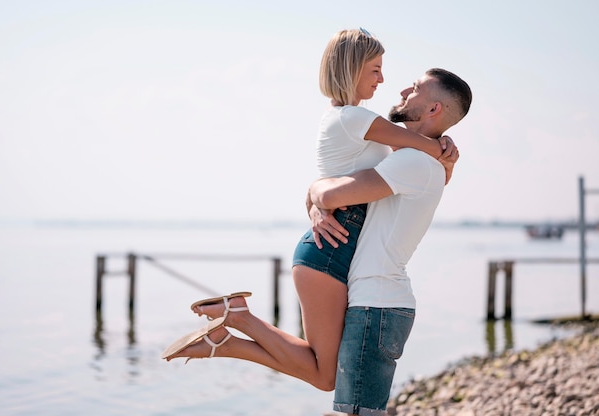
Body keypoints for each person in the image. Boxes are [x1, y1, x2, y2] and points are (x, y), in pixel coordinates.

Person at [161, 29, 457, 392]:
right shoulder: (353, 118)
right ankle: (236, 323)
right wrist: (444, 149)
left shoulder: (351, 118)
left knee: (324, 374)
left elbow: (402, 179)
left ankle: (226, 338)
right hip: (331, 249)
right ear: (352, 69)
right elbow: (417, 148)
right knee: (324, 376)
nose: (382, 79)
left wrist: (440, 159)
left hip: (336, 244)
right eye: (375, 69)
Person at [308, 67, 472, 415]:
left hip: (376, 304)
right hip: (377, 302)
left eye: (414, 89)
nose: (401, 91)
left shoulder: (412, 162)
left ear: (433, 110)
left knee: (355, 411)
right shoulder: (414, 160)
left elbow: (331, 193)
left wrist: (313, 192)